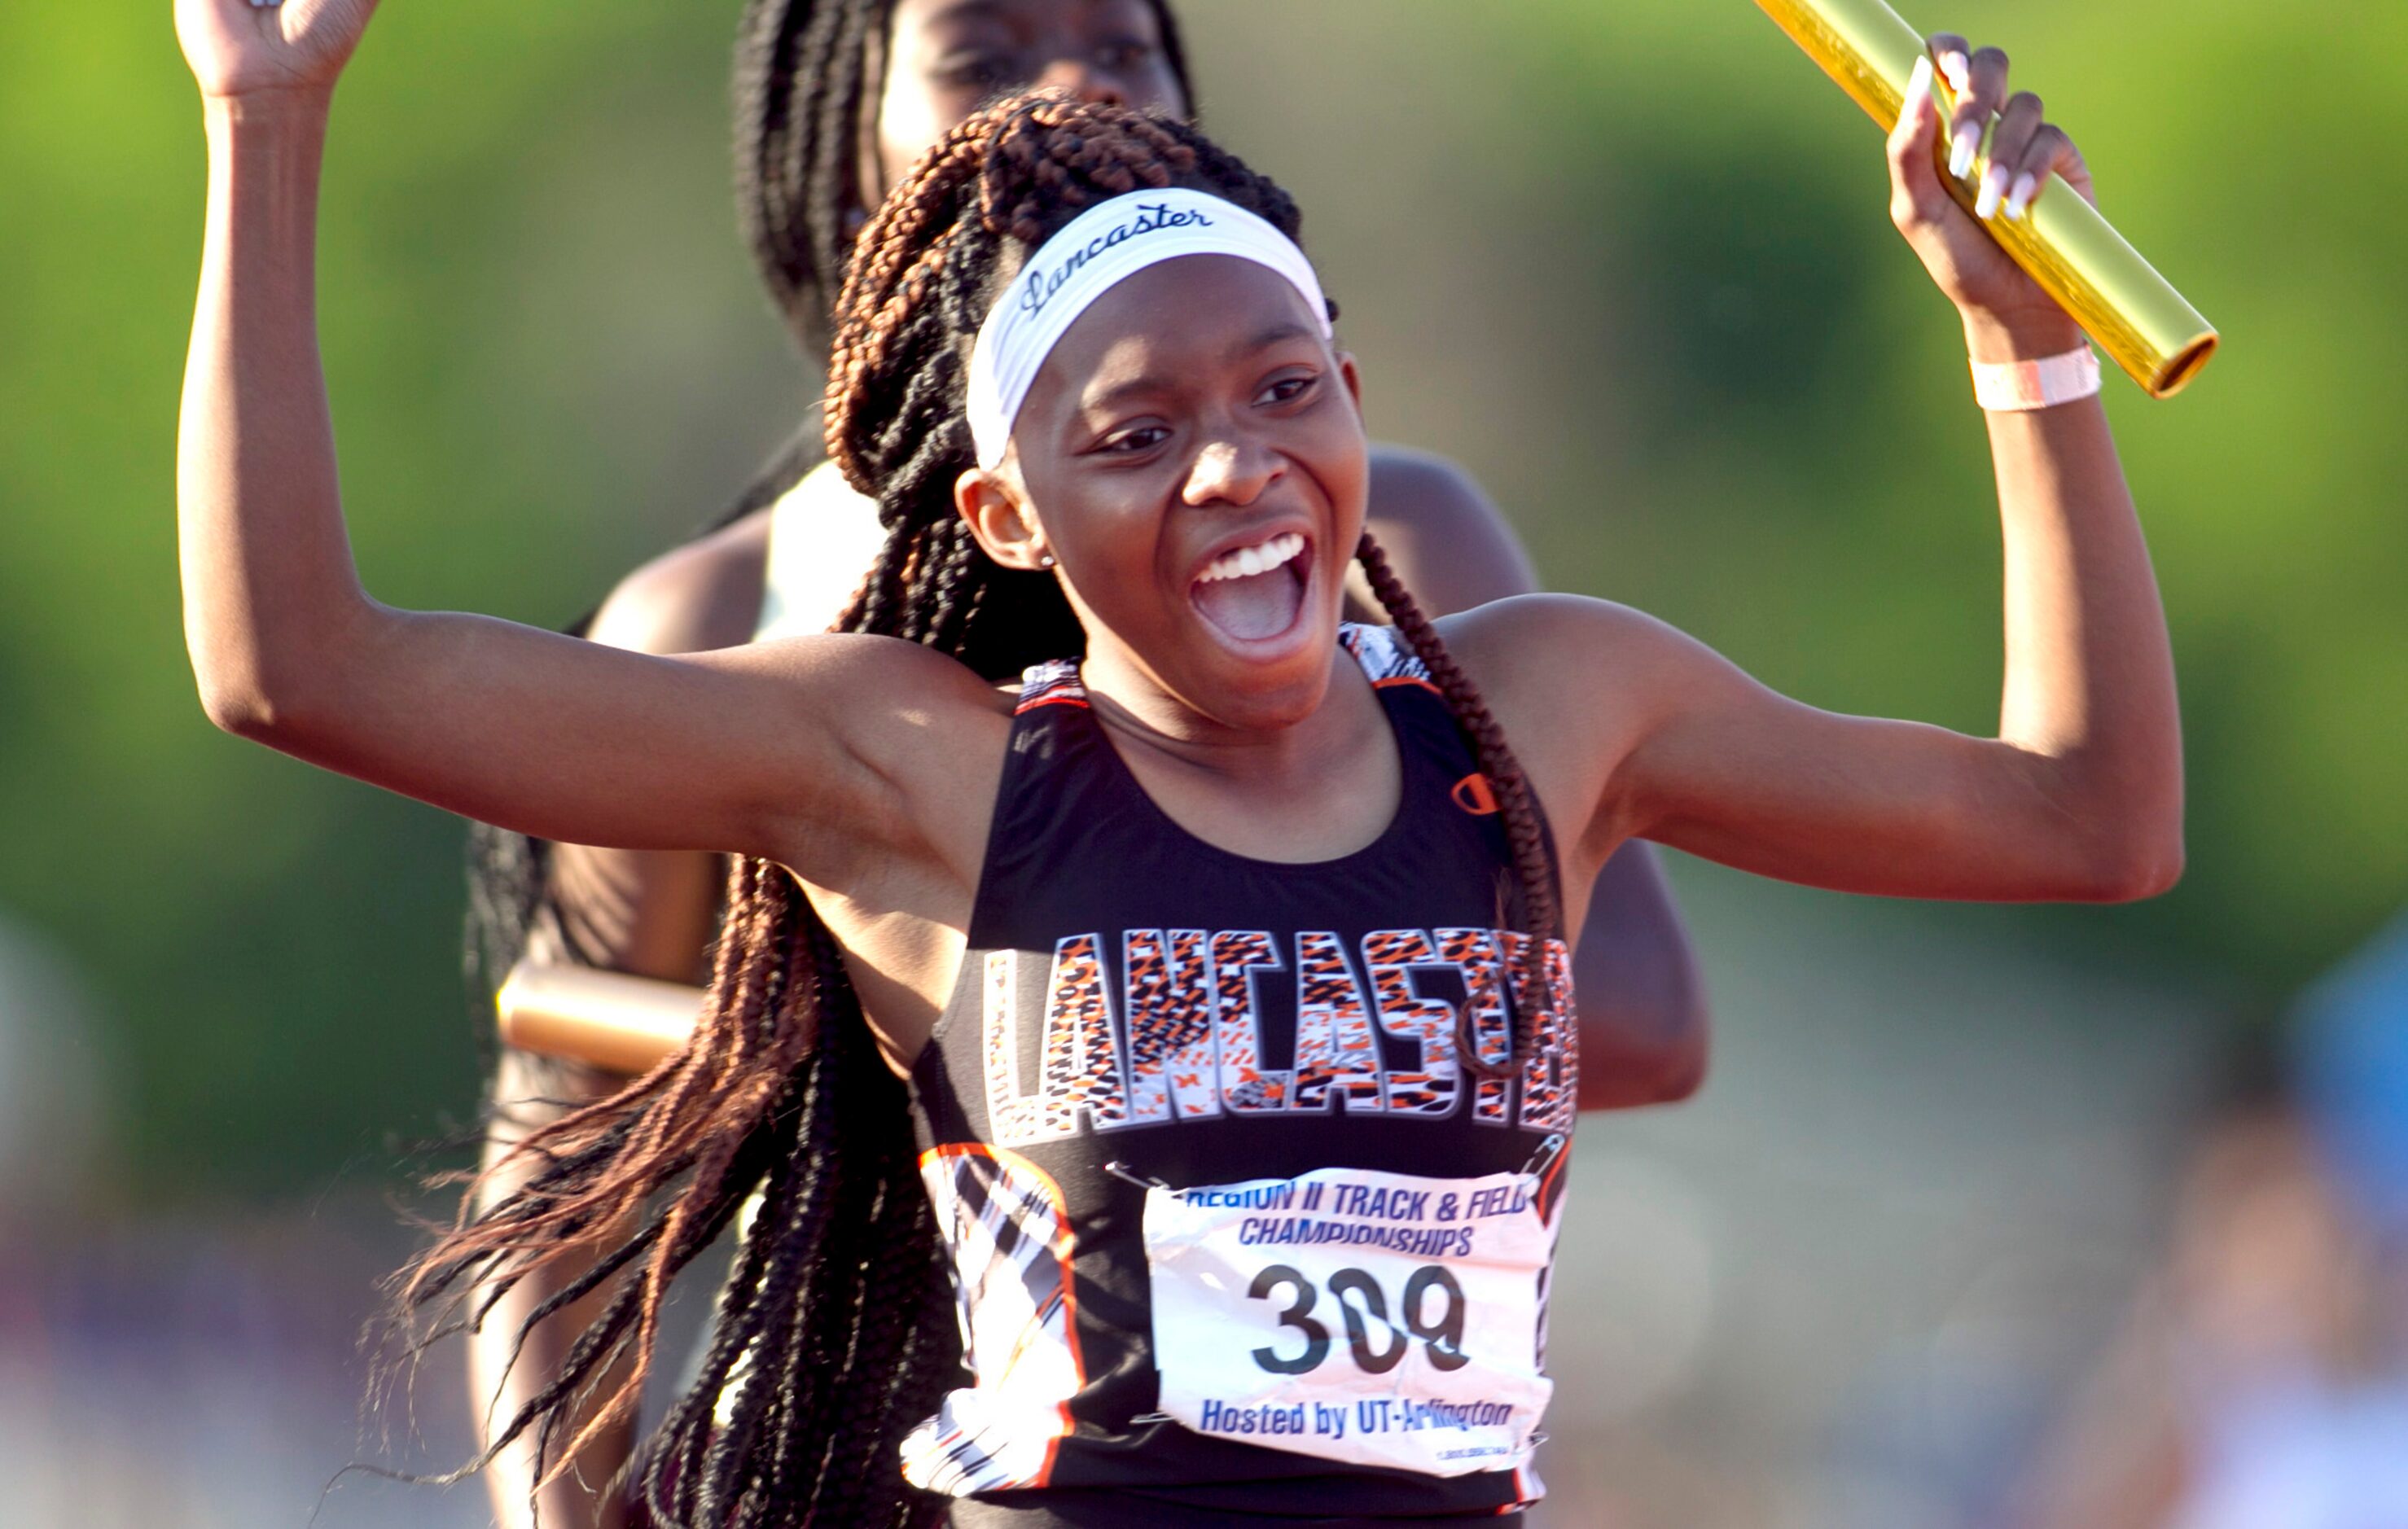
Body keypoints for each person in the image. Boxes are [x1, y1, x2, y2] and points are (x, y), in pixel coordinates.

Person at [173, 0, 2184, 1520]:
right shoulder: (914, 774)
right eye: (1134, 437)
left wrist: (2030, 352)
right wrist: (264, 124)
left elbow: (2088, 823)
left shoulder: (1553, 709)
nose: (1239, 470)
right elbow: (303, 667)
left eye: (1283, 393)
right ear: (1005, 520)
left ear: (1355, 405)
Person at [469, 4, 1708, 1517]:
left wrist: (1060, 1031)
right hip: (858, 1467)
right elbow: (555, 1165)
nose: (1065, 92)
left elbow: (1643, 1021)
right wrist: (833, 1057)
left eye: (1119, 47)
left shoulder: (1387, 544)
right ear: (852, 171)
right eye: (981, 59)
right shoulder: (717, 617)